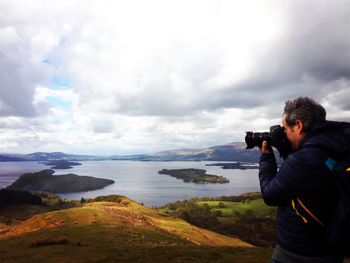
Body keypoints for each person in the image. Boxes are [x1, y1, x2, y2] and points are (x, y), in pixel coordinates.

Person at [258, 97, 349, 263]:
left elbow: (269, 195)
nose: (283, 134)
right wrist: (290, 152)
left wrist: (266, 157)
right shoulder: (337, 147)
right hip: (332, 251)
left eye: (285, 129)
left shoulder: (304, 160)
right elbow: (308, 179)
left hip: (298, 253)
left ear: (298, 125)